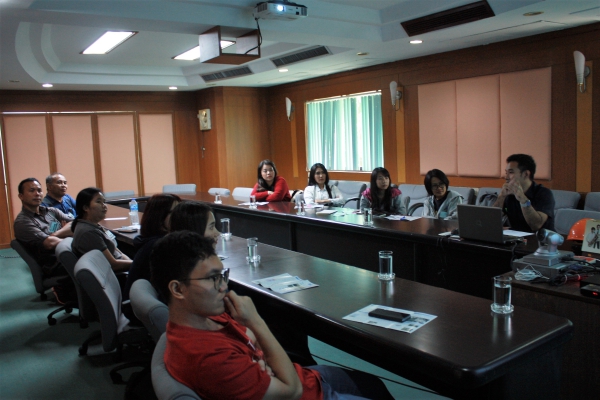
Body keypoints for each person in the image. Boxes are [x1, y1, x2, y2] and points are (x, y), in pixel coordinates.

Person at [150, 231, 394, 400]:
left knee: (375, 386)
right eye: (213, 278)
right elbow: (292, 391)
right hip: (305, 391)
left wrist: (258, 360)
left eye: (222, 275)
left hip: (301, 376)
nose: (224, 286)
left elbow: (251, 342)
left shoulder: (203, 316)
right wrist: (256, 322)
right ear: (177, 289)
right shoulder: (209, 358)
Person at [13, 178, 75, 303]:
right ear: (21, 196)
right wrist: (70, 237)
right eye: (32, 191)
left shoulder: (50, 211)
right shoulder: (23, 222)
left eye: (39, 190)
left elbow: (75, 224)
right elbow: (49, 243)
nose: (37, 194)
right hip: (54, 263)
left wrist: (57, 233)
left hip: (66, 252)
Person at [122, 193, 181, 301]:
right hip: (141, 310)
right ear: (160, 216)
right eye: (175, 212)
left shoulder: (150, 241)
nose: (180, 216)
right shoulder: (160, 246)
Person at [71, 187, 132, 272]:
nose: (104, 206)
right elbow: (113, 265)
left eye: (104, 202)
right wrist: (137, 264)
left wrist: (132, 262)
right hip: (118, 275)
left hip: (124, 264)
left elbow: (116, 250)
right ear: (85, 208)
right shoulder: (88, 233)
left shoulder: (93, 225)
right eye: (98, 202)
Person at [493, 154, 555, 232]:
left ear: (526, 174)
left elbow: (536, 225)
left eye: (511, 172)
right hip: (516, 239)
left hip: (540, 241)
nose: (506, 177)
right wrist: (501, 196)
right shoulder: (509, 194)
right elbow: (491, 221)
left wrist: (522, 199)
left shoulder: (544, 194)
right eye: (506, 173)